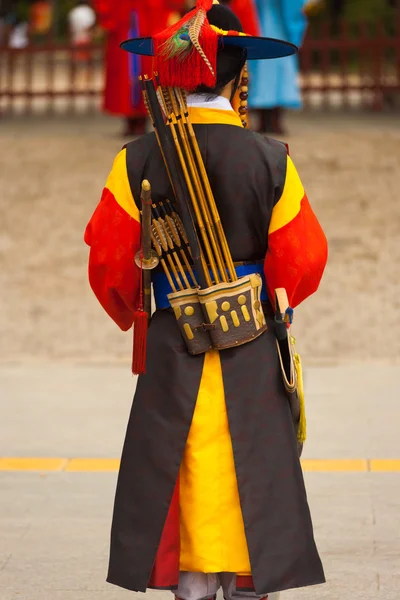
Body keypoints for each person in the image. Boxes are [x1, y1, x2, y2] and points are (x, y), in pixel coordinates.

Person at [84, 1, 328, 598]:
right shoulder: (271, 158)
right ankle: (248, 580)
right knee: (252, 461)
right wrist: (271, 302)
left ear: (172, 79)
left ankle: (191, 582)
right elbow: (303, 257)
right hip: (249, 333)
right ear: (236, 77)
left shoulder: (137, 157)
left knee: (180, 454)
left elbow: (110, 264)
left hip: (174, 334)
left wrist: (137, 308)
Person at [94, 0, 185, 136]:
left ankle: (144, 119)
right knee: (126, 76)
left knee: (149, 71)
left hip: (149, 22)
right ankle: (130, 119)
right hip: (126, 23)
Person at [248, 0, 309, 134]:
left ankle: (268, 121)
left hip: (264, 27)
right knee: (275, 74)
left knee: (265, 74)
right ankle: (271, 121)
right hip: (275, 28)